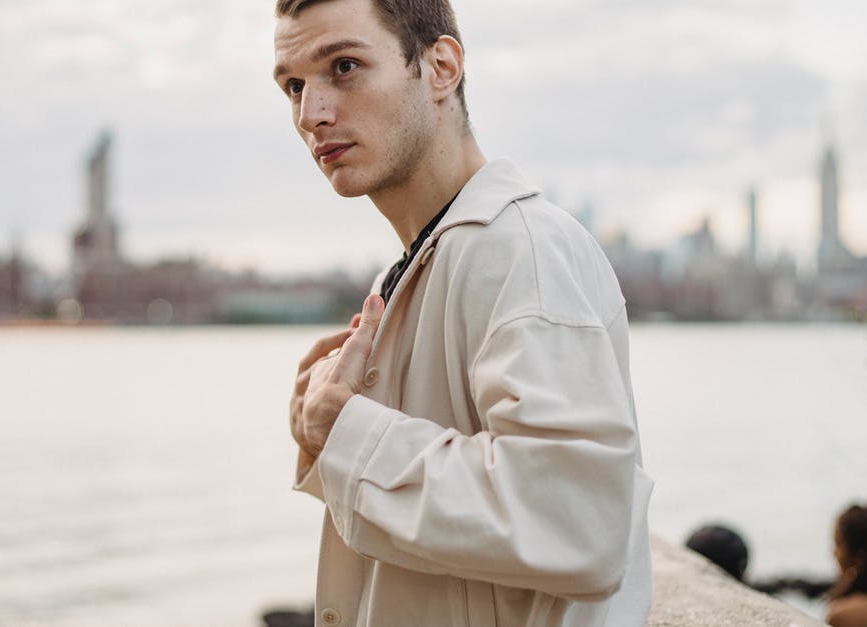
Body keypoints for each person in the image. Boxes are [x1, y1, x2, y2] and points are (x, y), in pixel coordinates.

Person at [274, 0, 654, 624]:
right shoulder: (422, 261)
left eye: (343, 66)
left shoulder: (518, 250)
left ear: (441, 67)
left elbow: (579, 527)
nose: (311, 113)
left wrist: (348, 433)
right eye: (293, 86)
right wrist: (320, 434)